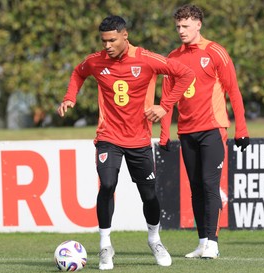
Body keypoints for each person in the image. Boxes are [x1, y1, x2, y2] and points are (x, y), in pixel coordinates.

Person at [57, 15, 194, 270]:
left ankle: (154, 239)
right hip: (108, 137)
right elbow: (78, 72)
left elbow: (185, 74)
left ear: (124, 36)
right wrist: (69, 97)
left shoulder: (146, 59)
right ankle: (105, 245)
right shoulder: (96, 61)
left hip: (139, 140)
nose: (107, 45)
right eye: (103, 40)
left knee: (149, 195)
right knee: (107, 185)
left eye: (111, 40)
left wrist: (164, 106)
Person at [160, 4, 250, 259]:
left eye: (186, 26)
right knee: (196, 188)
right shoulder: (173, 58)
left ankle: (213, 242)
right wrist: (165, 133)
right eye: (178, 26)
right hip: (186, 133)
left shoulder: (215, 52)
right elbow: (167, 100)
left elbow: (234, 91)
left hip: (212, 130)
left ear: (198, 24)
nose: (181, 30)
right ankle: (202, 242)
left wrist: (241, 129)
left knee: (211, 185)